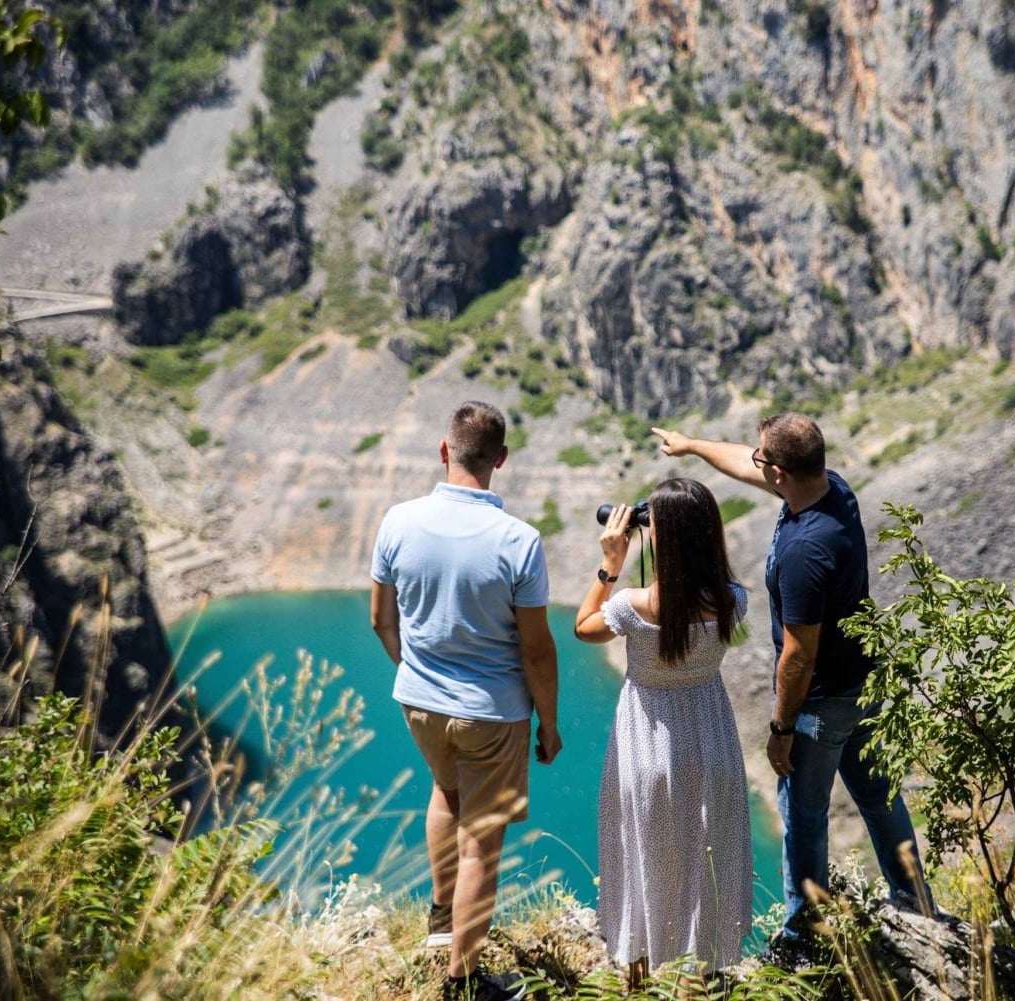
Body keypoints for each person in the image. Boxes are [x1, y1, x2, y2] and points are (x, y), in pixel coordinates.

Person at [652, 414, 930, 965]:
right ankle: (915, 903)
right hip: (864, 682)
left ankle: (803, 937)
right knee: (879, 797)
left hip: (820, 702)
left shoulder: (805, 550)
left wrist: (781, 729)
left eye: (762, 460)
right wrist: (691, 446)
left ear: (779, 472)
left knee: (804, 818)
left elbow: (797, 656)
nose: (754, 464)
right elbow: (743, 460)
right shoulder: (832, 491)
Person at [371, 401, 562, 1001]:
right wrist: (549, 724)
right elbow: (536, 651)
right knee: (482, 835)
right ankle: (465, 980)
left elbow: (381, 619)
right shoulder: (518, 541)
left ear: (444, 450)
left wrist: (417, 673)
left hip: (419, 703)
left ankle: (439, 921)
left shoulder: (397, 521)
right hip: (492, 713)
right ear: (501, 459)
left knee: (445, 793)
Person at [574, 478, 753, 987]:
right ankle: (706, 981)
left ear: (661, 540)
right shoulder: (733, 600)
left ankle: (641, 984)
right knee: (708, 861)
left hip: (646, 745)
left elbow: (583, 625)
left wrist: (611, 561)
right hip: (711, 741)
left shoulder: (634, 606)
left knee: (642, 863)